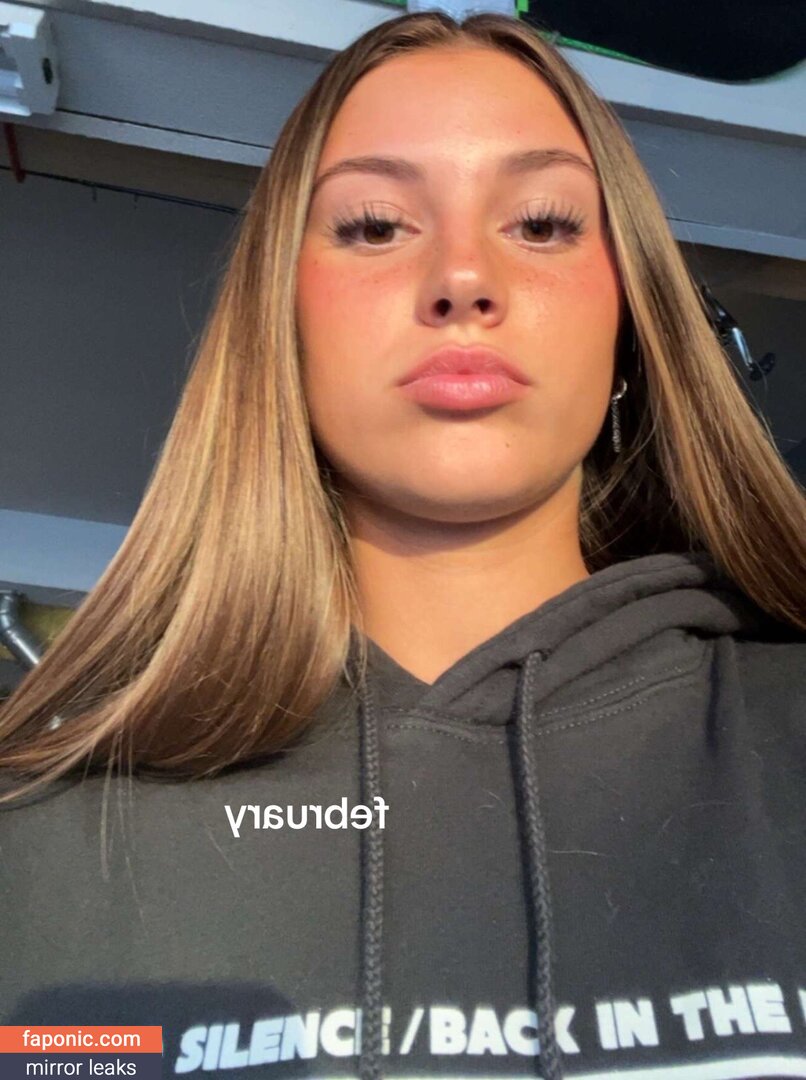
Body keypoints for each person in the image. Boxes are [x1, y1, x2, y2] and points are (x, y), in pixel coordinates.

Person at [1, 10, 804, 1080]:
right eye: (375, 226)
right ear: (281, 326)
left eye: (543, 223)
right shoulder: (37, 843)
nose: (463, 277)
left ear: (627, 322)